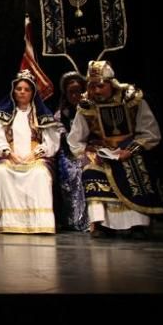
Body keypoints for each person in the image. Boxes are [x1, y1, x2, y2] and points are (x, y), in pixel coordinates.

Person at [67, 60, 163, 238]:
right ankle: (100, 224)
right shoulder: (87, 105)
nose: (96, 91)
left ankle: (138, 224)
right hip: (102, 152)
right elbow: (75, 138)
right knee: (91, 171)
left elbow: (150, 132)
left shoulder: (132, 100)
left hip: (129, 151)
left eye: (101, 86)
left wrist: (130, 150)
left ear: (111, 84)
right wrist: (87, 155)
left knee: (137, 167)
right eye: (93, 86)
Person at [0, 69, 60, 234]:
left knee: (40, 174)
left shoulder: (42, 115)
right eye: (19, 89)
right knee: (1, 173)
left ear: (33, 92)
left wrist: (36, 153)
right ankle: (7, 222)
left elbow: (52, 141)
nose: (22, 92)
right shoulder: (4, 114)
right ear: (13, 91)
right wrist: (9, 154)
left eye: (26, 89)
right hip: (11, 158)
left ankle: (39, 224)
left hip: (35, 158)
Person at [53, 71, 89, 231]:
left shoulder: (91, 110)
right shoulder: (61, 115)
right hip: (68, 153)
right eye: (71, 92)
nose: (75, 96)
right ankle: (74, 219)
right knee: (75, 172)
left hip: (91, 150)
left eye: (78, 91)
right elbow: (63, 140)